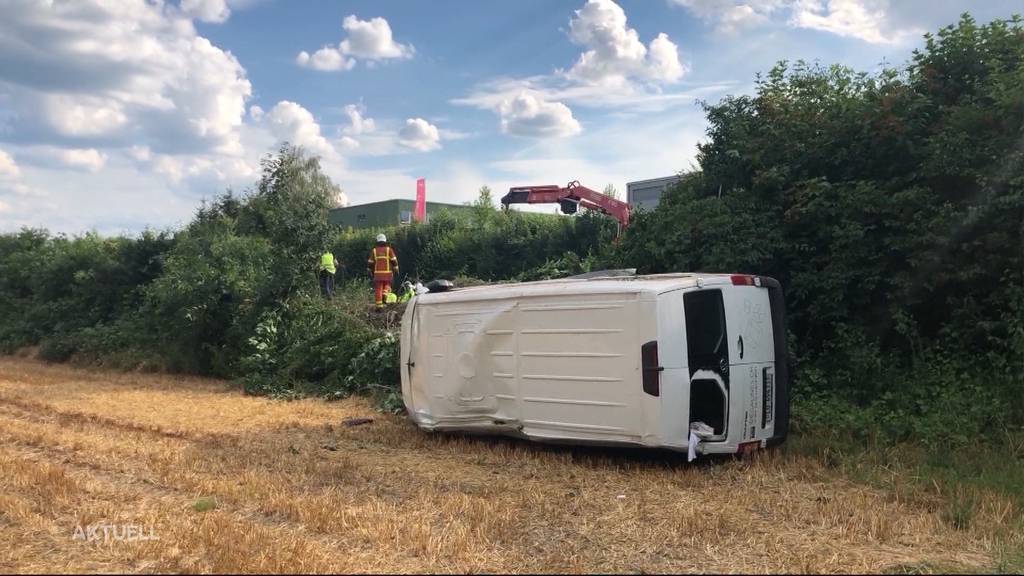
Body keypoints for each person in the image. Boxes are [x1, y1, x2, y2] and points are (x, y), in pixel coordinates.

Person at [366, 233, 398, 309]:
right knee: (387, 286)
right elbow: (394, 261)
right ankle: (385, 293)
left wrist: (369, 270)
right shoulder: (389, 250)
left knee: (378, 288)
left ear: (377, 241)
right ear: (385, 241)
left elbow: (370, 262)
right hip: (388, 274)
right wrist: (396, 270)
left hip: (378, 274)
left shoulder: (374, 251)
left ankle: (379, 306)